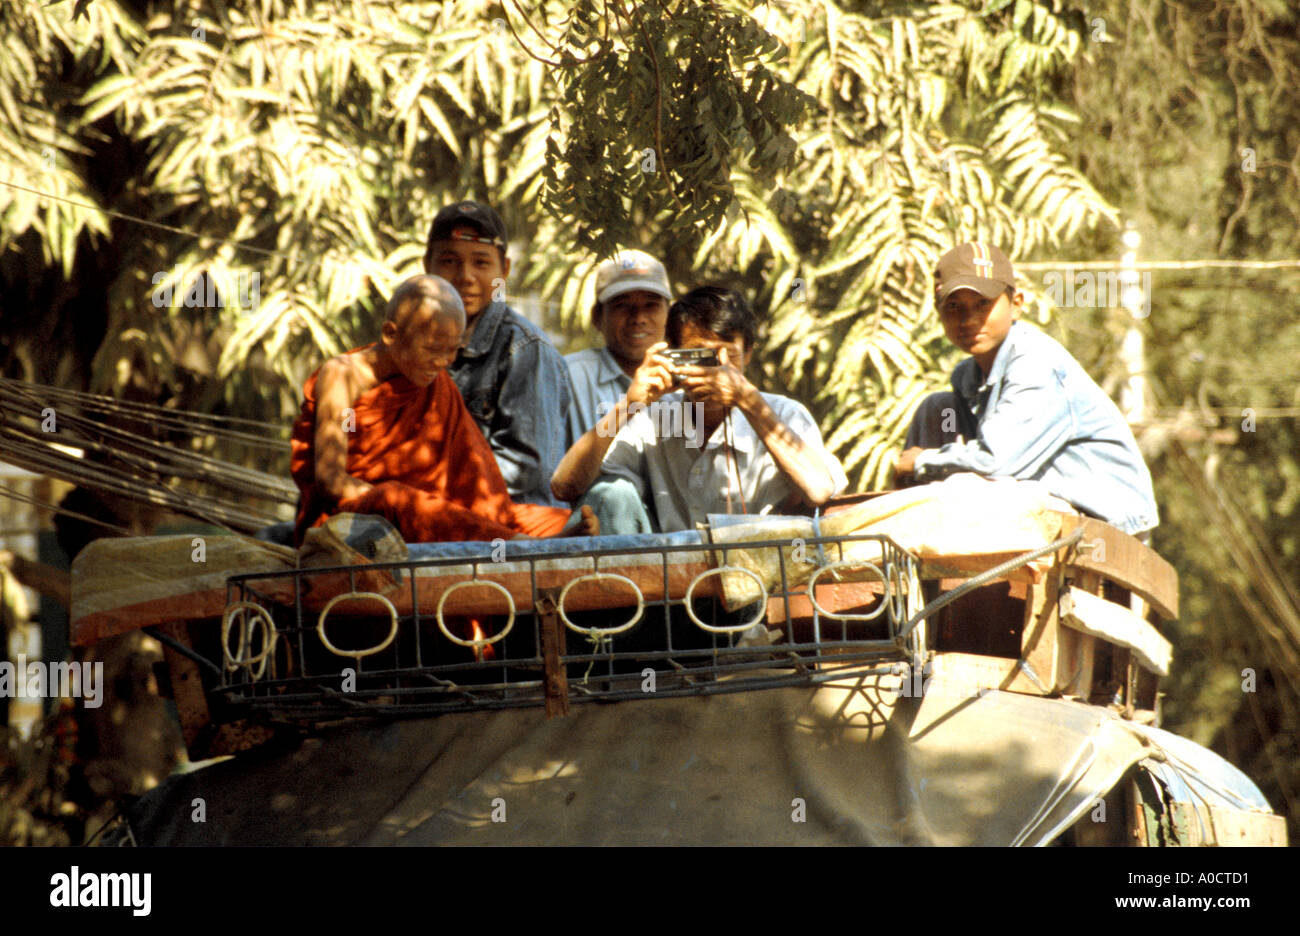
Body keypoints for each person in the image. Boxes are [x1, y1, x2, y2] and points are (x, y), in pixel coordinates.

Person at [290, 275, 596, 545]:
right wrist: (405, 505)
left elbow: (475, 487)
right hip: (357, 516)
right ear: (390, 334)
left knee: (555, 520)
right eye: (433, 349)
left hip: (436, 514)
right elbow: (331, 480)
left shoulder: (435, 386)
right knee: (398, 497)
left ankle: (522, 542)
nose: (443, 362)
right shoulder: (343, 376)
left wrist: (441, 511)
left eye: (452, 350)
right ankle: (520, 547)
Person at [894, 242, 1159, 536]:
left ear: (1017, 303)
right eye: (954, 307)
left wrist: (922, 460)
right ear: (939, 314)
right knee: (939, 407)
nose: (969, 319)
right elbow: (958, 438)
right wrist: (928, 465)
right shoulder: (967, 379)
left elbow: (996, 462)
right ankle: (921, 527)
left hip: (1105, 526)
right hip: (1041, 512)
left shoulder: (1035, 363)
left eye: (983, 303)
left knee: (940, 455)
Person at [554, 286, 847, 533]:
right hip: (669, 584)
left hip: (756, 579)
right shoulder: (656, 416)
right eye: (700, 357)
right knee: (610, 492)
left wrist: (748, 400)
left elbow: (819, 489)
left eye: (728, 357)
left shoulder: (783, 413)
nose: (716, 371)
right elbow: (564, 487)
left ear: (748, 354)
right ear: (673, 355)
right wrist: (629, 404)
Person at [422, 201, 573, 508]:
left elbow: (524, 466)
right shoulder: (414, 342)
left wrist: (425, 483)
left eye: (481, 263)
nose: (465, 276)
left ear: (503, 270)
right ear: (428, 265)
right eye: (449, 261)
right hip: (437, 514)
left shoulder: (524, 349)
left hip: (510, 530)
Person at [556, 250, 673, 533]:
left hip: (673, 541)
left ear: (669, 314)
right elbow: (556, 486)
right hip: (588, 539)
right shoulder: (567, 375)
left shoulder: (687, 381)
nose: (638, 318)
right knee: (615, 493)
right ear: (598, 317)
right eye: (623, 306)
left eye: (651, 306)